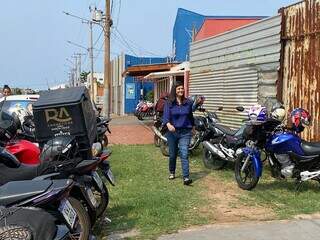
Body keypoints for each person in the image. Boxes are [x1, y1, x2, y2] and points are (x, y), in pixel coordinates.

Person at [163, 82, 194, 185]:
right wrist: (168, 124)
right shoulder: (169, 103)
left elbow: (190, 116)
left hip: (185, 132)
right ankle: (172, 171)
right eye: (179, 89)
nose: (181, 90)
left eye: (182, 88)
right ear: (174, 90)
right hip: (172, 132)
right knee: (172, 155)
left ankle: (186, 178)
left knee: (184, 154)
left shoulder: (188, 102)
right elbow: (166, 116)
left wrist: (193, 127)